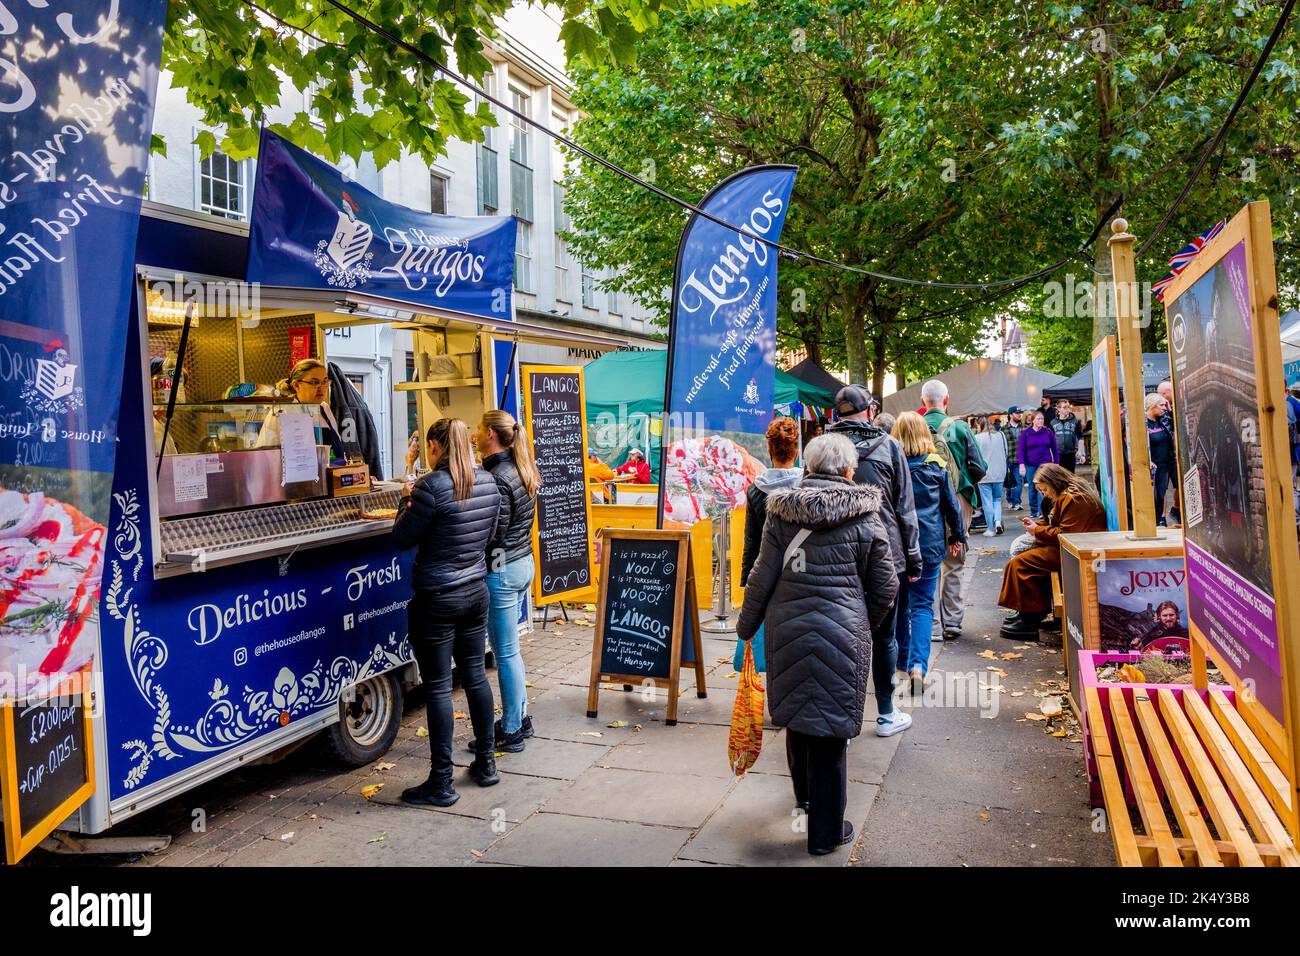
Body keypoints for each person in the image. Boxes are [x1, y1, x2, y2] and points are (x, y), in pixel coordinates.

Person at [737, 433, 898, 855]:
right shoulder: (867, 517)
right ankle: (825, 833)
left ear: (808, 468)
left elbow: (761, 577)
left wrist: (745, 627)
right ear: (848, 471)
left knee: (797, 715)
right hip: (843, 633)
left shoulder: (780, 512)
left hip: (787, 630)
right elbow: (886, 585)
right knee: (830, 728)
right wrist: (866, 622)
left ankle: (805, 801)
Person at [393, 418, 503, 807]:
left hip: (437, 596)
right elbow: (492, 536)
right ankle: (487, 763)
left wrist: (404, 501)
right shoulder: (488, 482)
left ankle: (442, 781)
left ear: (435, 446)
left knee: (439, 686)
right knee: (475, 676)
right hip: (476, 591)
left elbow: (402, 537)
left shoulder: (429, 487)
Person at [828, 384, 922, 722]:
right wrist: (913, 559)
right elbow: (905, 510)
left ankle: (840, 721)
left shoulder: (821, 448)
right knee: (884, 638)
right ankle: (885, 713)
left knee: (839, 638)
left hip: (835, 556)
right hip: (885, 556)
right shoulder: (890, 447)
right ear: (870, 410)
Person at [475, 410, 541, 753]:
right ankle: (521, 716)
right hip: (522, 563)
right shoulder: (521, 467)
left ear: (490, 434)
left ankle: (512, 729)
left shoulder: (499, 475)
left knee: (505, 654)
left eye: (477, 429)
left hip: (502, 570)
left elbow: (495, 531)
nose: (473, 435)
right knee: (511, 649)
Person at [891, 413, 966, 697]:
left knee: (899, 604)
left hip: (898, 546)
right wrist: (956, 536)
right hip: (930, 545)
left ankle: (900, 663)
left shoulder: (891, 468)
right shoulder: (937, 466)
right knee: (923, 605)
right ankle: (919, 666)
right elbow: (951, 506)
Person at [997, 463, 1106, 638]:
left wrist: (1036, 530)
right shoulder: (1065, 497)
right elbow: (1055, 525)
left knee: (1021, 564)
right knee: (1020, 562)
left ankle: (1030, 618)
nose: (1044, 494)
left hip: (1078, 552)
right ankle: (1029, 612)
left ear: (1054, 482)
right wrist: (1036, 526)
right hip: (1069, 548)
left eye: (1045, 490)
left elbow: (1067, 534)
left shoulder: (1075, 499)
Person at [919, 379, 986, 641]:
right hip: (957, 497)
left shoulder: (913, 428)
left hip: (921, 499)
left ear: (923, 402)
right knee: (954, 560)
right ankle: (953, 622)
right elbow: (979, 466)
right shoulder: (959, 427)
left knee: (926, 560)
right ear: (946, 400)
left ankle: (931, 623)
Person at [737, 417, 804, 675]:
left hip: (768, 572)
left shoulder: (756, 491)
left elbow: (751, 540)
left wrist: (747, 583)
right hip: (801, 569)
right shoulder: (807, 487)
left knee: (771, 633)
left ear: (769, 450)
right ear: (797, 451)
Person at [257, 358, 346, 459]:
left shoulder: (324, 408)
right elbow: (264, 456)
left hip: (331, 473)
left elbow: (339, 450)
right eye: (314, 382)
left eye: (325, 382)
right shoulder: (281, 412)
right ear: (296, 385)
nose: (321, 388)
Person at [1017, 411, 1058, 519]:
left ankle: (1042, 510)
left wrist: (1056, 464)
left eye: (1042, 419)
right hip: (1031, 465)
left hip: (1045, 465)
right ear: (1033, 420)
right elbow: (1021, 450)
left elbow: (1054, 449)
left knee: (1044, 487)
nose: (1041, 421)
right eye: (1038, 419)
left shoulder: (1048, 432)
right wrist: (1021, 465)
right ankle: (1034, 510)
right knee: (1032, 487)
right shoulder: (1025, 433)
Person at [1145, 392, 1176, 527]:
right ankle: (1151, 522)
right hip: (1153, 465)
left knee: (1162, 493)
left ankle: (1159, 521)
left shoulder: (1163, 420)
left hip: (1166, 463)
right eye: (1161, 405)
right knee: (1154, 495)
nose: (1164, 408)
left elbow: (1175, 422)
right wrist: (1147, 458)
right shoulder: (1144, 423)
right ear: (1152, 406)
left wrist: (1169, 409)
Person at [974, 416, 1008, 536]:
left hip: (984, 475)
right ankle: (998, 521)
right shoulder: (1001, 435)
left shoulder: (977, 438)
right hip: (1000, 472)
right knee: (997, 500)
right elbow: (1006, 452)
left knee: (987, 502)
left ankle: (990, 529)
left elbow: (975, 456)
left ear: (980, 425)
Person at [1050, 399, 1083, 474]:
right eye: (1064, 407)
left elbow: (1080, 437)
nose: (1067, 409)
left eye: (1068, 407)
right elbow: (1050, 440)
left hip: (1071, 454)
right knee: (1060, 477)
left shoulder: (1075, 421)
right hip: (1058, 454)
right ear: (1058, 409)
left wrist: (1080, 451)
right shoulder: (1053, 422)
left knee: (1070, 476)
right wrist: (1051, 454)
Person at [1002, 408, 1026, 511]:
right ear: (1011, 415)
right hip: (1007, 460)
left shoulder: (1025, 428)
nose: (1019, 415)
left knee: (1018, 481)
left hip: (1020, 460)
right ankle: (1010, 499)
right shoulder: (1003, 429)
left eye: (1020, 413)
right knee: (1008, 482)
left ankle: (1017, 502)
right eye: (1017, 413)